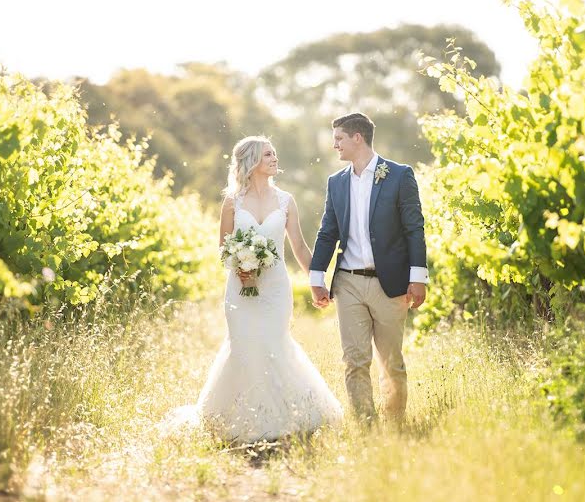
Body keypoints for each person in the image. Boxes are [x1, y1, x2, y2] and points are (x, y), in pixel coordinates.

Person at [183, 135, 343, 444]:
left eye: (275, 153)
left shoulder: (286, 201)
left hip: (274, 289)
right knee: (243, 347)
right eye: (268, 154)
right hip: (239, 289)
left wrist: (317, 281)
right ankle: (239, 420)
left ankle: (284, 419)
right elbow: (222, 247)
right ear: (252, 160)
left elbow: (298, 245)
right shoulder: (232, 201)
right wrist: (241, 268)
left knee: (273, 344)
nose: (274, 159)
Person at [309, 112, 428, 423]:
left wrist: (418, 277)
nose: (334, 145)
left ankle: (395, 424)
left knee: (391, 362)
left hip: (390, 283)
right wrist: (316, 276)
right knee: (355, 360)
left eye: (339, 139)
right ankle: (365, 425)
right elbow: (327, 231)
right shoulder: (336, 182)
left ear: (357, 138)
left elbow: (415, 228)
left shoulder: (400, 176)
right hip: (347, 282)